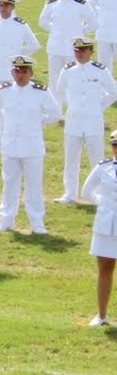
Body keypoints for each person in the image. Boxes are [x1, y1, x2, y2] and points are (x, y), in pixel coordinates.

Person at [0, 55, 62, 234]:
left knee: (34, 186)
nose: (20, 75)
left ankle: (37, 222)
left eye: (24, 71)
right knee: (9, 184)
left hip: (32, 145)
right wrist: (3, 126)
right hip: (11, 144)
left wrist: (38, 122)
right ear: (12, 72)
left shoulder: (41, 92)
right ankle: (5, 220)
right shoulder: (4, 91)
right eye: (17, 71)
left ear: (31, 73)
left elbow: (55, 114)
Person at [55, 38, 117, 203]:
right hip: (73, 120)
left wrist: (98, 106)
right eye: (76, 50)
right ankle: (70, 194)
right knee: (71, 159)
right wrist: (71, 107)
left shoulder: (99, 70)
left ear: (91, 51)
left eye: (83, 50)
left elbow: (113, 92)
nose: (79, 54)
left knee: (97, 159)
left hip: (93, 120)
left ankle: (97, 194)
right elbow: (60, 91)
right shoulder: (68, 70)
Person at [80, 130, 117, 326]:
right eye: (115, 145)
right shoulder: (104, 167)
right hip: (107, 225)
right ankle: (102, 315)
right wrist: (103, 204)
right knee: (105, 268)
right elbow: (87, 191)